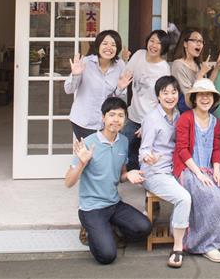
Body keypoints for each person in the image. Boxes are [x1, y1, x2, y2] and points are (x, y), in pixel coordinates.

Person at [64, 97, 151, 265]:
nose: (116, 119)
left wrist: (129, 175)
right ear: (103, 117)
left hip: (113, 203)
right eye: (112, 115)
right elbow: (68, 182)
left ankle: (108, 228)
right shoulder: (88, 143)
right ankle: (91, 230)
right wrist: (82, 162)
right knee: (107, 255)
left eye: (121, 115)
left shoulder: (123, 141)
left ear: (125, 119)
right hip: (92, 208)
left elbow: (120, 175)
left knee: (144, 228)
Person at [173, 78, 220, 263]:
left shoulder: (215, 122)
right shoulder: (185, 118)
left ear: (213, 99)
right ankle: (206, 244)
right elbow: (182, 149)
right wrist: (198, 174)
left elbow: (215, 149)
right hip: (188, 170)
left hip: (208, 168)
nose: (205, 98)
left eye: (209, 95)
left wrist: (217, 171)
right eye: (201, 95)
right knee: (210, 194)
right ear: (194, 98)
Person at [139, 75, 192, 268]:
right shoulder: (152, 119)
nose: (170, 96)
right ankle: (178, 247)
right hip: (156, 172)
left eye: (173, 92)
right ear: (158, 96)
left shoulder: (178, 115)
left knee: (201, 188)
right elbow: (143, 150)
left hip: (174, 168)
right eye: (165, 93)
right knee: (184, 198)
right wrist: (149, 158)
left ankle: (196, 236)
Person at [170, 27, 220, 169]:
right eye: (195, 40)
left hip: (203, 112)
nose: (199, 44)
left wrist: (216, 68)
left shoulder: (198, 65)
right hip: (189, 113)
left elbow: (205, 88)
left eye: (201, 42)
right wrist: (201, 73)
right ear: (185, 43)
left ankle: (219, 171)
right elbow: (190, 95)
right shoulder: (178, 64)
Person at [65, 29, 133, 139]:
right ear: (98, 45)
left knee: (104, 149)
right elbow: (68, 89)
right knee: (88, 150)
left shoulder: (120, 65)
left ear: (117, 48)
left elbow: (118, 98)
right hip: (83, 122)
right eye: (105, 43)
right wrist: (75, 75)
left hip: (107, 123)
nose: (109, 48)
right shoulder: (86, 63)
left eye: (113, 45)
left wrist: (120, 88)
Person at [121, 29, 173, 170]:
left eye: (159, 43)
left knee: (147, 156)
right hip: (133, 116)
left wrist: (147, 124)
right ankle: (122, 176)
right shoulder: (139, 55)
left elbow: (163, 100)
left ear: (164, 47)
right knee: (123, 148)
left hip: (151, 120)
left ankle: (146, 179)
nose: (154, 45)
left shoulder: (164, 68)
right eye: (152, 41)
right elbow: (125, 75)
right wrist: (123, 60)